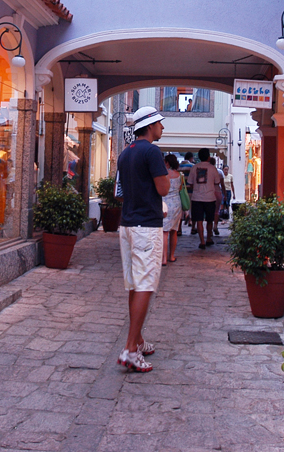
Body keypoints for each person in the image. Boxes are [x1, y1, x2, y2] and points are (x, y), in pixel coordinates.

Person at [115, 106, 169, 373]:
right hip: (146, 226)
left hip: (126, 224)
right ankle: (130, 350)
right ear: (149, 126)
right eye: (160, 123)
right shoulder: (152, 152)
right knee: (145, 285)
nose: (162, 128)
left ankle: (136, 340)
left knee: (134, 286)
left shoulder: (126, 153)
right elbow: (163, 188)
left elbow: (121, 191)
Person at [188, 147, 224, 248]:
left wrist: (197, 188)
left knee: (199, 220)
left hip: (196, 197)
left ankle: (202, 241)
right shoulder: (213, 168)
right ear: (208, 157)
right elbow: (217, 182)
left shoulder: (194, 168)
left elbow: (190, 183)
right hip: (210, 197)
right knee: (209, 220)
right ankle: (208, 238)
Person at [162, 154, 183, 264]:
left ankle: (163, 258)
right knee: (174, 231)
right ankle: (172, 256)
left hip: (164, 203)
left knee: (164, 232)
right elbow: (180, 188)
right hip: (176, 203)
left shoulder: (163, 174)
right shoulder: (179, 175)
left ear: (167, 163)